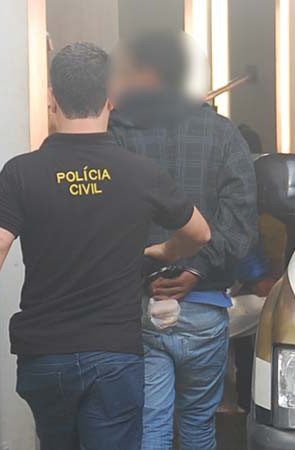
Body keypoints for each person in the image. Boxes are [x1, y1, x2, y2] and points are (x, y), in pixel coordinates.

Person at [0, 42, 211, 450]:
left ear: (51, 98)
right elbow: (200, 233)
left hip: (45, 358)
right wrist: (165, 253)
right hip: (114, 355)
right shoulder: (141, 173)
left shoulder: (21, 174)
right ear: (111, 99)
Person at [110, 32, 258, 450]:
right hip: (205, 308)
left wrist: (149, 272)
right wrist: (196, 269)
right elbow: (241, 223)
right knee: (197, 424)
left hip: (139, 307)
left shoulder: (117, 134)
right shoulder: (224, 135)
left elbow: (108, 218)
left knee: (151, 423)